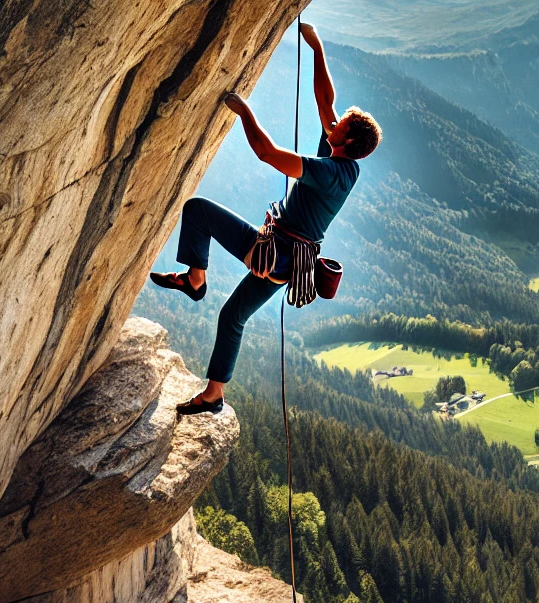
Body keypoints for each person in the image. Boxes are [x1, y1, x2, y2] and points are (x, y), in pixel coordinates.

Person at [151, 23, 379, 414]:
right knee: (232, 316)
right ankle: (213, 393)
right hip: (287, 256)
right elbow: (326, 102)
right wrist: (317, 48)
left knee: (198, 211)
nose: (332, 123)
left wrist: (244, 112)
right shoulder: (346, 163)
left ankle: (195, 281)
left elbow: (267, 153)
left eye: (338, 127)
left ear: (348, 141)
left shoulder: (327, 174)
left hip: (276, 254)